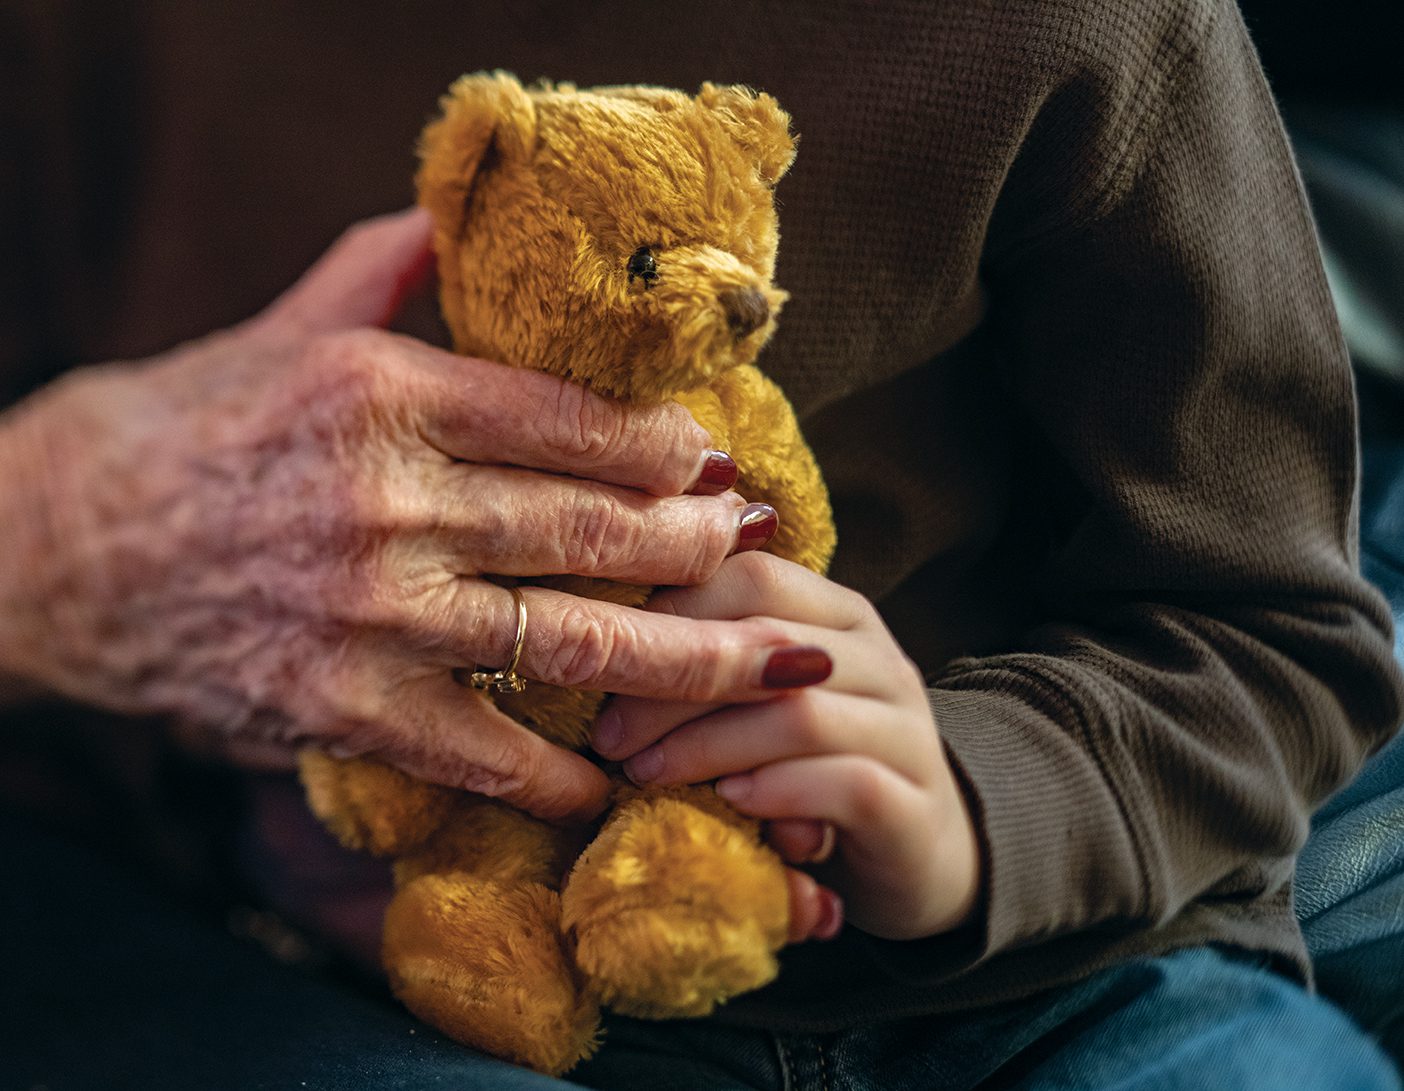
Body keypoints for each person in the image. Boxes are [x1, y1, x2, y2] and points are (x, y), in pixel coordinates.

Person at [2, 0, 1402, 1088]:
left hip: (1054, 989)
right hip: (337, 974)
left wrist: (977, 807)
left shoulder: (1082, 34)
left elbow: (1276, 635)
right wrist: (59, 533)